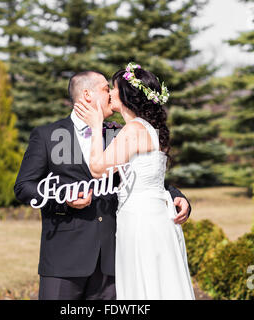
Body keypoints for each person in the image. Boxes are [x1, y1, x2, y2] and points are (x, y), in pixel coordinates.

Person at [14, 70, 192, 300]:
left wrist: (177, 196)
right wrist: (63, 199)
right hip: (64, 260)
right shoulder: (48, 135)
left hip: (113, 260)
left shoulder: (120, 133)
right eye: (105, 89)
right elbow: (24, 186)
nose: (110, 95)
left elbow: (145, 175)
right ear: (87, 95)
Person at [73, 63, 195, 299]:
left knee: (145, 283)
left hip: (141, 220)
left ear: (126, 95)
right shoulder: (151, 129)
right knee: (160, 282)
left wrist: (96, 126)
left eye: (114, 88)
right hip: (155, 215)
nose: (109, 93)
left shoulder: (134, 130)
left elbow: (98, 169)